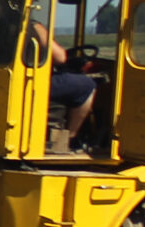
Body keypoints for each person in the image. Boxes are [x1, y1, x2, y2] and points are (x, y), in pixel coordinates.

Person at [30, 15, 98, 150]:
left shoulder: (4, 22)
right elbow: (60, 58)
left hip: (19, 77)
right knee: (87, 85)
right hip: (31, 80)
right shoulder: (32, 25)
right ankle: (69, 139)